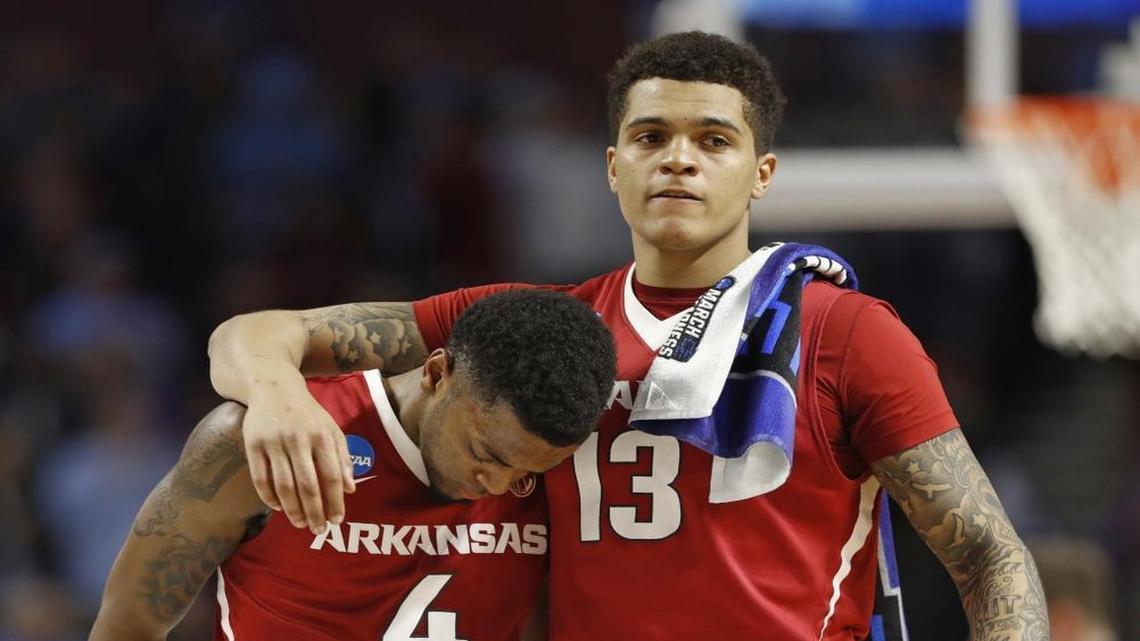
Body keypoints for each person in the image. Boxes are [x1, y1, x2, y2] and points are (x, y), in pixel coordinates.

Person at [207, 31, 1048, 640]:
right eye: (651, 137)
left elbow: (988, 553)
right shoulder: (533, 326)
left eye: (713, 140)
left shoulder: (846, 332)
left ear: (762, 175)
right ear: (613, 167)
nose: (678, 159)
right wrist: (278, 394)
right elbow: (254, 333)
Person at [90, 290, 616, 641]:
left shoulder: (552, 481)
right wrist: (275, 395)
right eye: (486, 455)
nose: (495, 485)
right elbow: (130, 622)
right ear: (436, 374)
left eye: (525, 474)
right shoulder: (259, 443)